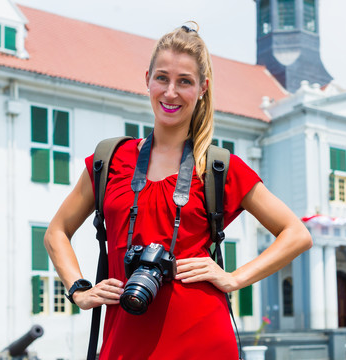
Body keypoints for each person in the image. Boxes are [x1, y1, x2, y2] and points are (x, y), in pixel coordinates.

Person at [44, 22, 312, 359]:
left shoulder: (217, 167)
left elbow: (297, 233)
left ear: (202, 88)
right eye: (162, 78)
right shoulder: (109, 160)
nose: (171, 92)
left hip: (203, 341)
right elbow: (56, 232)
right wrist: (79, 290)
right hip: (124, 340)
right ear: (147, 80)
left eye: (184, 81)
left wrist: (233, 279)